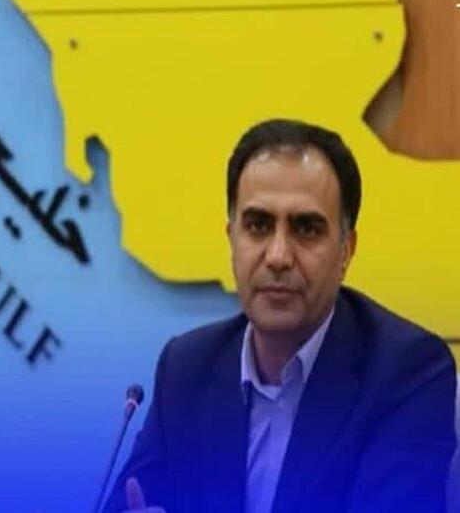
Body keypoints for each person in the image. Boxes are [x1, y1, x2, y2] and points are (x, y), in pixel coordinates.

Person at [102, 119, 457, 513]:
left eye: (306, 229)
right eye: (257, 226)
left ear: (346, 250)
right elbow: (132, 501)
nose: (278, 256)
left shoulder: (408, 373)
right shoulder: (187, 368)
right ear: (232, 239)